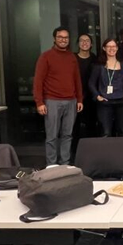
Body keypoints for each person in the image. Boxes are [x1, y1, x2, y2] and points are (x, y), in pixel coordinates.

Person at [33, 27, 83, 166]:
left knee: (67, 135)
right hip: (52, 101)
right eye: (60, 37)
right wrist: (39, 102)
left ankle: (65, 164)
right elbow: (38, 81)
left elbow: (76, 79)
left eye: (66, 37)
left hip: (71, 101)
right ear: (54, 38)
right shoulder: (46, 56)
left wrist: (79, 99)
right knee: (52, 136)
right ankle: (52, 165)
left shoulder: (71, 57)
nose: (63, 40)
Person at [89, 38, 123, 137]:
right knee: (105, 132)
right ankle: (106, 152)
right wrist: (97, 96)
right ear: (104, 48)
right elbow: (91, 83)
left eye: (114, 46)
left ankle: (121, 152)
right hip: (105, 103)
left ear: (117, 48)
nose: (112, 48)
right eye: (109, 46)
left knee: (122, 132)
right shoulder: (99, 66)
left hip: (121, 103)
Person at [72, 34, 98, 154]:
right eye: (82, 40)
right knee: (74, 126)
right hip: (74, 97)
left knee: (91, 126)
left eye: (87, 41)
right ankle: (75, 153)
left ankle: (90, 153)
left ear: (91, 44)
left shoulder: (95, 59)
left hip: (91, 98)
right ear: (78, 43)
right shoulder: (72, 58)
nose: (84, 43)